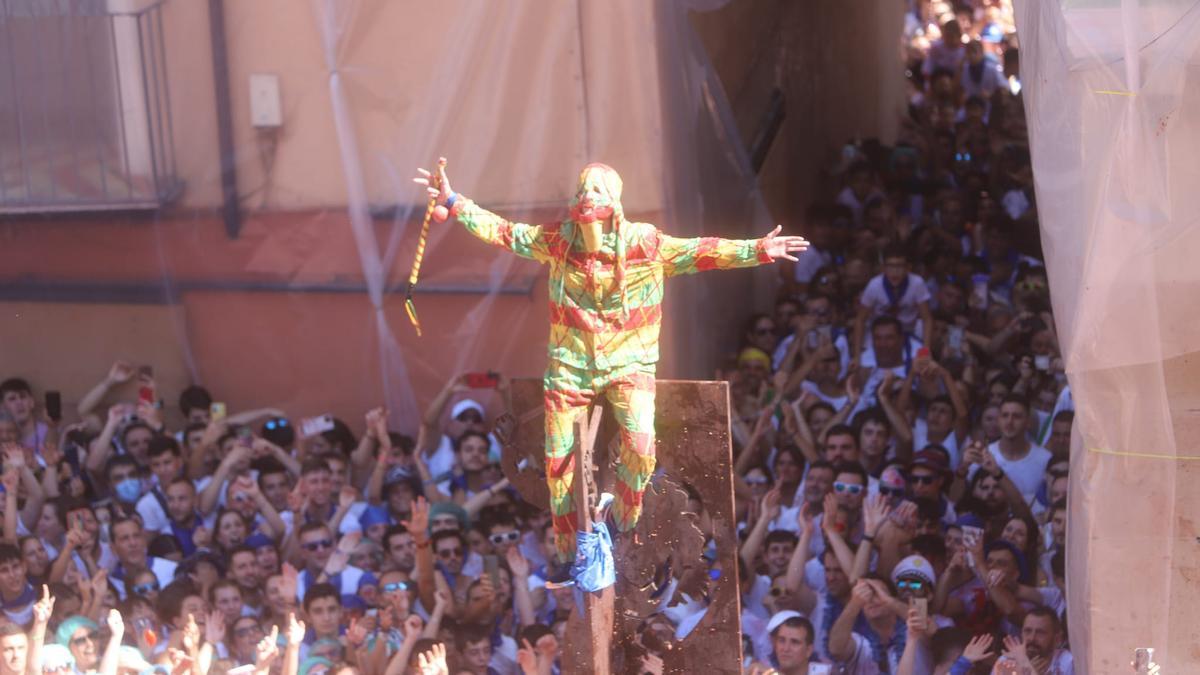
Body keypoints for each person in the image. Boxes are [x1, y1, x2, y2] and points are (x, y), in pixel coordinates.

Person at [414, 160, 809, 568]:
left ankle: (624, 523)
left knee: (641, 444)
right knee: (558, 463)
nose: (588, 209)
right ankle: (572, 553)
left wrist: (760, 249)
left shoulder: (646, 244)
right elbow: (504, 233)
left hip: (629, 365)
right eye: (583, 198)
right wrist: (453, 201)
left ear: (614, 206)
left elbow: (702, 251)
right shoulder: (559, 241)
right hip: (570, 367)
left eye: (598, 199)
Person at [987, 396, 1051, 505]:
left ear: (1028, 422)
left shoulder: (1045, 459)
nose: (1009, 422)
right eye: (1005, 415)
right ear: (998, 420)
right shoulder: (986, 455)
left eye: (1016, 416)